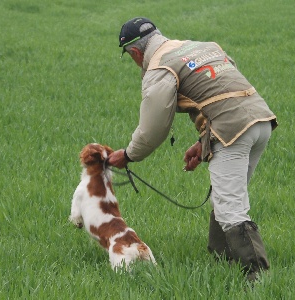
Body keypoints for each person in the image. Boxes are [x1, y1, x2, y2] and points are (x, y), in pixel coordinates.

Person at [108, 17, 278, 282]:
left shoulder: (159, 67)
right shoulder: (199, 46)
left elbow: (154, 128)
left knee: (230, 206)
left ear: (135, 52)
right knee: (227, 196)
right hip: (260, 121)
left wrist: (129, 154)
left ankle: (255, 276)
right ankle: (223, 260)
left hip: (233, 130)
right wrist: (204, 141)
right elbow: (223, 89)